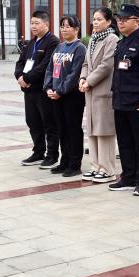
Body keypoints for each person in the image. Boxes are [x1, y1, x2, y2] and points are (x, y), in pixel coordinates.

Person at [106, 4, 139, 195]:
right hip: (120, 101)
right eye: (118, 19)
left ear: (136, 21)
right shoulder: (121, 43)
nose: (120, 22)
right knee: (124, 142)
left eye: (124, 19)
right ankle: (128, 177)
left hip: (137, 103)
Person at [80, 8, 120, 183]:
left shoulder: (112, 39)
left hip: (104, 92)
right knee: (93, 130)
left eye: (99, 19)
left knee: (104, 132)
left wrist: (89, 81)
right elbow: (86, 63)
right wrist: (82, 78)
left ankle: (108, 170)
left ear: (109, 22)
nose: (95, 22)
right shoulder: (93, 39)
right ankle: (95, 166)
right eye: (94, 19)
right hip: (90, 91)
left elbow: (106, 65)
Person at [14, 11, 59, 168]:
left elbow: (45, 66)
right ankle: (38, 152)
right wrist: (19, 77)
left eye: (36, 23)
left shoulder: (53, 42)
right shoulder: (31, 43)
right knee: (33, 122)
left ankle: (52, 155)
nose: (33, 26)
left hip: (43, 90)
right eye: (32, 23)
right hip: (29, 90)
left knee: (49, 123)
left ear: (46, 24)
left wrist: (27, 79)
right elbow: (20, 62)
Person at [46, 16, 87, 177]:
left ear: (76, 29)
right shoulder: (60, 47)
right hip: (56, 95)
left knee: (73, 129)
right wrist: (49, 87)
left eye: (68, 26)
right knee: (62, 129)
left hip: (72, 96)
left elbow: (74, 74)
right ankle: (64, 161)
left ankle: (75, 164)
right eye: (62, 26)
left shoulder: (80, 48)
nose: (64, 29)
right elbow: (50, 69)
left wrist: (60, 91)